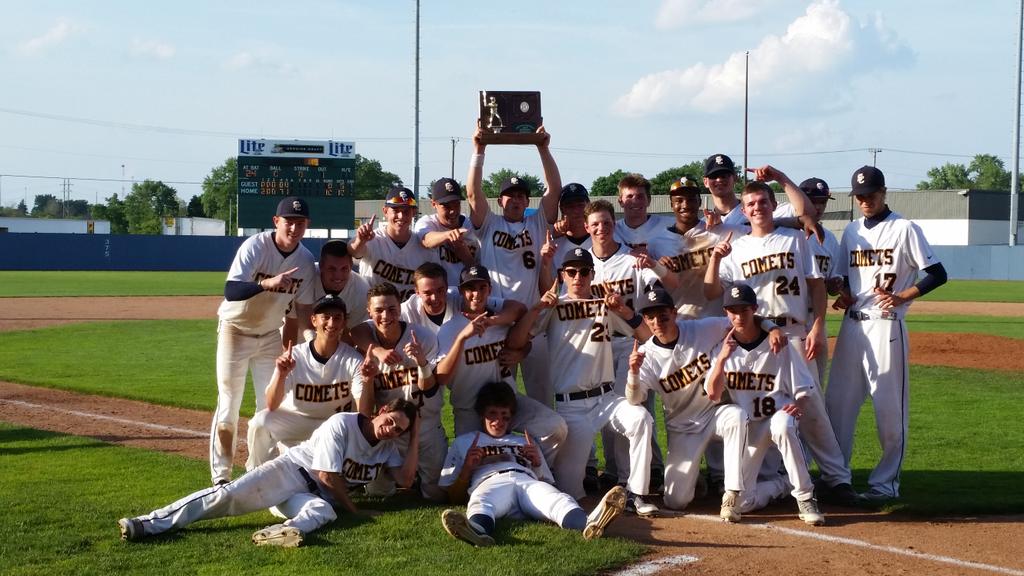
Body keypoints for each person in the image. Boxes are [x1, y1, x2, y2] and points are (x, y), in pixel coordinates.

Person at [704, 177, 857, 506]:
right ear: (743, 211)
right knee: (769, 408)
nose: (758, 208)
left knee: (812, 409)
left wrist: (818, 325)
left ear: (774, 206)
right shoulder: (738, 246)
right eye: (751, 204)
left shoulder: (794, 238)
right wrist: (716, 258)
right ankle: (782, 477)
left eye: (763, 202)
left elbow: (816, 284)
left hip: (794, 331)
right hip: (758, 335)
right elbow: (714, 292)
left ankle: (837, 478)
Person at [119, 399, 419, 547]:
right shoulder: (343, 423)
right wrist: (354, 509)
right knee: (227, 497)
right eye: (391, 421)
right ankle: (147, 523)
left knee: (322, 511)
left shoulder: (387, 448)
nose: (391, 429)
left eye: (399, 429)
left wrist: (414, 434)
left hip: (308, 496)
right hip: (289, 472)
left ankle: (282, 533)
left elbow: (405, 481)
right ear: (381, 410)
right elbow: (326, 475)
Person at [826, 166, 947, 503]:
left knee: (888, 408)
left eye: (871, 194)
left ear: (884, 193)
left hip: (886, 323)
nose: (865, 200)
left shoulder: (905, 228)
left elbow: (938, 274)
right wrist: (842, 291)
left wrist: (902, 297)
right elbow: (843, 278)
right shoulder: (851, 232)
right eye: (860, 196)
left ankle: (885, 485)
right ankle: (837, 478)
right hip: (852, 325)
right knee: (838, 405)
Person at [507, 247, 658, 516]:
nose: (579, 277)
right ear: (563, 275)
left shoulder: (605, 305)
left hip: (607, 399)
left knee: (641, 419)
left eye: (584, 271)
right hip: (572, 407)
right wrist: (538, 306)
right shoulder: (554, 306)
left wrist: (623, 310)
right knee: (570, 491)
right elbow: (517, 341)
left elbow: (646, 336)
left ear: (593, 274)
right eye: (572, 271)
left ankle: (636, 493)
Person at [626, 286, 784, 520]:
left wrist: (772, 327)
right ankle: (693, 481)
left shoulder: (702, 328)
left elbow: (740, 319)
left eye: (663, 316)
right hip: (683, 428)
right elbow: (634, 399)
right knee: (676, 501)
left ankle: (731, 492)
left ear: (675, 312)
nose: (657, 322)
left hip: (714, 414)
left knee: (736, 415)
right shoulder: (647, 355)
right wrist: (634, 373)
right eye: (650, 317)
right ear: (646, 320)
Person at [438, 381, 626, 547]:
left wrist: (536, 463)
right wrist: (467, 469)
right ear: (481, 416)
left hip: (526, 481)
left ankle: (589, 523)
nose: (498, 421)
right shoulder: (465, 442)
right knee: (481, 502)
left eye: (504, 416)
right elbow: (453, 496)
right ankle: (477, 531)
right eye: (492, 414)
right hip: (490, 482)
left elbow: (547, 482)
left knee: (559, 499)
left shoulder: (524, 441)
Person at [210, 196, 317, 485]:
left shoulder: (306, 261)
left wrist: (302, 341)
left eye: (300, 222)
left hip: (270, 335)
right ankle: (221, 477)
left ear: (307, 225)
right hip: (235, 329)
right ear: (276, 222)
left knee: (270, 406)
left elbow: (302, 308)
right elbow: (231, 290)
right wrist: (264, 284)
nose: (294, 228)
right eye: (289, 222)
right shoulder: (256, 245)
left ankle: (259, 468)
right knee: (229, 402)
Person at [705, 284, 826, 526]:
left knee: (784, 425)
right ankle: (783, 484)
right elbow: (713, 393)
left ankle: (806, 497)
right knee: (744, 504)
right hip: (749, 428)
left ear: (755, 310)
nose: (738, 317)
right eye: (732, 310)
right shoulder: (722, 347)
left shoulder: (781, 344)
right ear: (726, 312)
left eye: (744, 310)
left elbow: (803, 387)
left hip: (776, 416)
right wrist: (721, 360)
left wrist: (797, 404)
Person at [435, 264, 567, 466]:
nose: (476, 294)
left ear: (489, 289)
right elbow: (441, 377)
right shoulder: (449, 329)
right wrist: (462, 339)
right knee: (472, 465)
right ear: (462, 291)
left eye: (481, 288)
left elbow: (523, 337)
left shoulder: (501, 319)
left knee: (555, 427)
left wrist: (521, 352)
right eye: (470, 288)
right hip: (469, 408)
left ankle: (534, 471)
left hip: (508, 403)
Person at [466, 124, 561, 405]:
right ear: (500, 200)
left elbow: (555, 188)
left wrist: (543, 148)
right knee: (496, 399)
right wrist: (478, 150)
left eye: (521, 195)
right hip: (495, 319)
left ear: (527, 201)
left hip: (535, 319)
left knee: (542, 398)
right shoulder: (489, 224)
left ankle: (542, 449)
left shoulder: (537, 222)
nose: (516, 199)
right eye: (511, 195)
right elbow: (472, 193)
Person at [582, 199, 673, 492]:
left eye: (606, 223)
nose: (601, 229)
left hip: (631, 342)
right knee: (609, 412)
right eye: (595, 224)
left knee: (632, 408)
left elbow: (658, 289)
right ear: (587, 228)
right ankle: (615, 470)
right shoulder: (580, 263)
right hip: (597, 345)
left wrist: (658, 268)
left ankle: (635, 475)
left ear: (614, 224)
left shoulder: (632, 259)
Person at [246, 295, 370, 470]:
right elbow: (271, 404)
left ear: (344, 323)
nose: (331, 323)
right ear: (314, 320)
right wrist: (281, 374)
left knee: (316, 480)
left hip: (332, 425)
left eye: (337, 317)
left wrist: (368, 379)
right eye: (325, 317)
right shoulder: (295, 356)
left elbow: (363, 413)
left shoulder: (353, 360)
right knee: (261, 421)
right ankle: (254, 474)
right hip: (296, 419)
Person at [353, 282, 447, 501]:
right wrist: (377, 354)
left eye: (392, 309)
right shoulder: (365, 343)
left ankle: (416, 480)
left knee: (437, 493)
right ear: (369, 312)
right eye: (378, 310)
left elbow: (430, 389)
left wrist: (421, 362)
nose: (386, 315)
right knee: (379, 494)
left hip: (426, 423)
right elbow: (355, 330)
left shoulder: (423, 337)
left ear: (401, 309)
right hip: (388, 431)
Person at [650, 177, 742, 319]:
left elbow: (758, 231)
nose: (685, 205)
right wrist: (659, 268)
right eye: (679, 200)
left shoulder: (718, 231)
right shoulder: (657, 243)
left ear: (699, 202)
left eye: (691, 199)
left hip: (716, 320)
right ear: (671, 204)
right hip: (679, 322)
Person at [349, 186, 436, 302]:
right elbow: (353, 251)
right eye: (395, 210)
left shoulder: (423, 246)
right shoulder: (373, 239)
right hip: (373, 314)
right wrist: (360, 240)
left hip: (408, 315)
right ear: (385, 211)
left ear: (414, 212)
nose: (401, 216)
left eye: (406, 211)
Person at [702, 155, 812, 225]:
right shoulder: (705, 223)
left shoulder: (758, 209)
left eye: (724, 175)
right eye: (714, 176)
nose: (719, 179)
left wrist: (780, 177)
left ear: (735, 177)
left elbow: (808, 213)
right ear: (705, 182)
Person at [414, 177, 481, 289]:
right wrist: (448, 235)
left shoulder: (471, 226)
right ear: (433, 204)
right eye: (446, 206)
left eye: (456, 204)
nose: (453, 210)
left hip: (466, 295)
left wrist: (464, 254)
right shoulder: (427, 222)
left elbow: (478, 272)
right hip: (438, 296)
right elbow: (426, 240)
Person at [614, 173, 673, 253]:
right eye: (629, 196)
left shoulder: (670, 225)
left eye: (640, 196)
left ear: (649, 200)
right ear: (620, 202)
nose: (635, 201)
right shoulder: (612, 230)